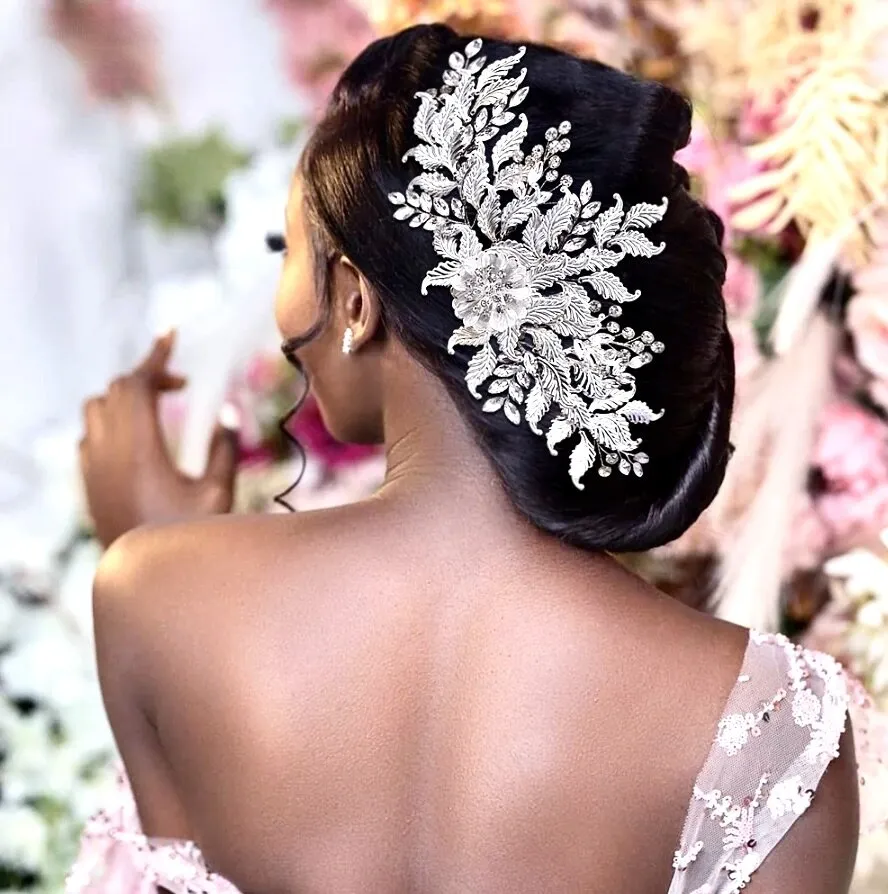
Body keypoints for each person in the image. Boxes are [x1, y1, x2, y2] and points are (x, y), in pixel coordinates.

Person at [70, 24, 862, 894]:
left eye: (288, 250)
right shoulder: (776, 726)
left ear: (359, 302)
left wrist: (163, 555)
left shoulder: (152, 592)